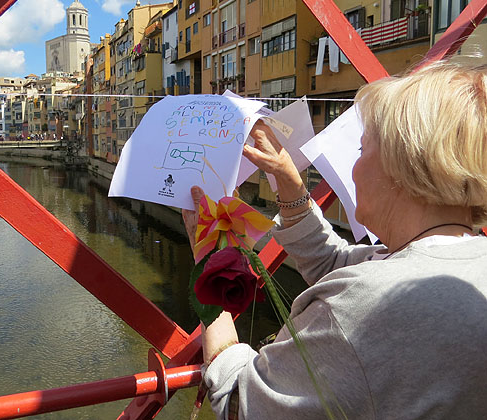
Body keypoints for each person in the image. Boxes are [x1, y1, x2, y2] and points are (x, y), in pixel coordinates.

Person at [183, 63, 487, 419]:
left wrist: (210, 259)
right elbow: (335, 264)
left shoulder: (360, 307)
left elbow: (240, 403)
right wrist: (287, 177)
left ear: (401, 166)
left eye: (362, 149)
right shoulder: (467, 262)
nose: (354, 166)